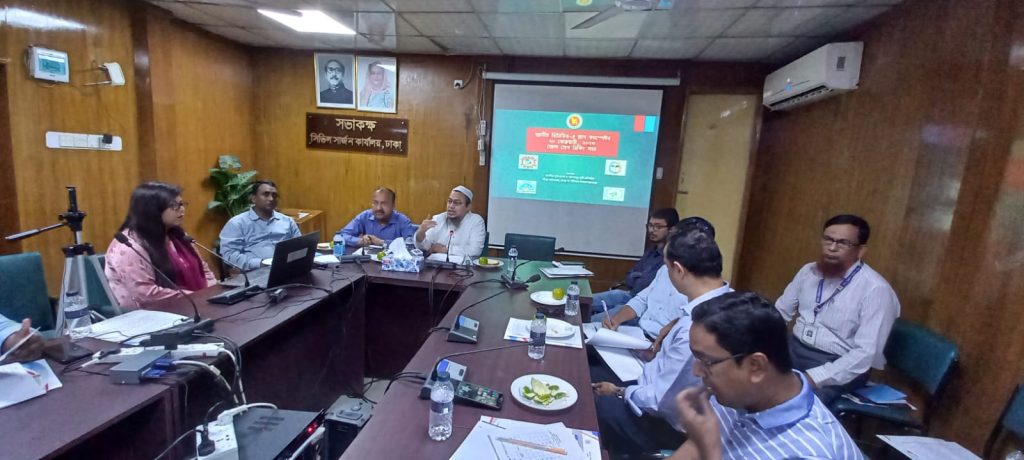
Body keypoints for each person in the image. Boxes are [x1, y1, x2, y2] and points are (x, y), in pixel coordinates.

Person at [590, 226, 732, 456]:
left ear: (678, 270)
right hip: (652, 387)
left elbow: (661, 401)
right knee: (591, 370)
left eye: (666, 267)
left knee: (594, 401)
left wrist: (619, 392)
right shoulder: (726, 301)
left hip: (665, 422)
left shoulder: (697, 327)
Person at [671, 291, 862, 460]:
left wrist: (709, 448)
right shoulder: (739, 392)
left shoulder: (810, 452)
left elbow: (706, 446)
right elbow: (694, 449)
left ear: (756, 366)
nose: (697, 371)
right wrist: (701, 441)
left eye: (706, 361)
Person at [775, 214, 900, 403]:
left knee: (793, 402)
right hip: (794, 349)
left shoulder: (876, 290)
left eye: (843, 243)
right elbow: (780, 313)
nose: (832, 248)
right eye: (828, 239)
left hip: (839, 366)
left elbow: (865, 354)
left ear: (860, 251)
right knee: (750, 381)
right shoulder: (808, 271)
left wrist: (813, 378)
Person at [596, 217, 716, 340]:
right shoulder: (665, 269)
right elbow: (641, 299)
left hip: (659, 342)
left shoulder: (702, 291)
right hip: (638, 332)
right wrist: (616, 320)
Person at [105, 182, 217, 308]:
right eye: (174, 206)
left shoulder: (178, 236)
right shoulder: (128, 247)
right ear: (152, 210)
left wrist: (213, 293)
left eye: (181, 204)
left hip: (195, 305)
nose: (182, 209)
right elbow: (145, 294)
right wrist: (196, 297)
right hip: (151, 315)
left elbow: (203, 269)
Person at [590, 208, 679, 324]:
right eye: (650, 226)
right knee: (585, 301)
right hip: (630, 294)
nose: (652, 230)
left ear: (671, 229)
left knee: (594, 321)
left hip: (645, 306)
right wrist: (638, 277)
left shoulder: (670, 259)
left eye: (658, 227)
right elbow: (629, 277)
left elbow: (647, 286)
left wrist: (638, 277)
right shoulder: (651, 250)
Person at [218, 180, 301, 271]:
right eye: (266, 194)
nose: (271, 199)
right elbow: (229, 255)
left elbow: (300, 246)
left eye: (274, 195)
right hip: (254, 271)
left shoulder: (288, 221)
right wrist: (260, 263)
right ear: (253, 198)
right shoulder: (237, 223)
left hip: (286, 268)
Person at [415, 186, 486, 259]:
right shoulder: (438, 219)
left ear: (468, 207)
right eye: (449, 201)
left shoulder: (476, 221)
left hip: (463, 265)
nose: (451, 206)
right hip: (436, 264)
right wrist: (420, 234)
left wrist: (444, 249)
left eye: (457, 203)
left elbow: (475, 250)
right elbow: (426, 247)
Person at [337, 187, 414, 248]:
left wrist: (382, 242)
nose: (378, 208)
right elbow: (341, 236)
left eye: (384, 203)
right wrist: (360, 241)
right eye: (375, 203)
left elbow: (411, 246)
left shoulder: (403, 221)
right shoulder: (365, 216)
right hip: (368, 262)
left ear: (393, 205)